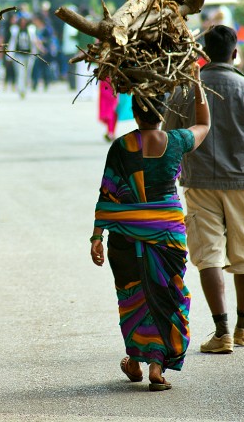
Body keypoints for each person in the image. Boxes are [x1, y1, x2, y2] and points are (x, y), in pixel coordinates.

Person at [164, 25, 244, 355]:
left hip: (198, 184)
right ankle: (243, 325)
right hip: (243, 185)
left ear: (205, 54)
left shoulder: (184, 91)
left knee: (207, 255)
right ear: (235, 54)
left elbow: (168, 140)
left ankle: (221, 330)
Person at [91, 84, 210, 391]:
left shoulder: (120, 146)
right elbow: (204, 124)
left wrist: (96, 236)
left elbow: (108, 191)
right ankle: (157, 366)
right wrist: (197, 84)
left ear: (134, 112)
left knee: (133, 296)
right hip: (167, 234)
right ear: (163, 112)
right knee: (166, 293)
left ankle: (135, 358)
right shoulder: (177, 141)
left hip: (125, 236)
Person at [8, 14, 40, 99]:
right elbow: (12, 42)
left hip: (29, 55)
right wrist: (9, 55)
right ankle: (20, 89)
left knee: (27, 73)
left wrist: (39, 49)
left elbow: (34, 40)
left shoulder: (31, 29)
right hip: (18, 55)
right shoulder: (15, 30)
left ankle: (25, 89)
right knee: (20, 73)